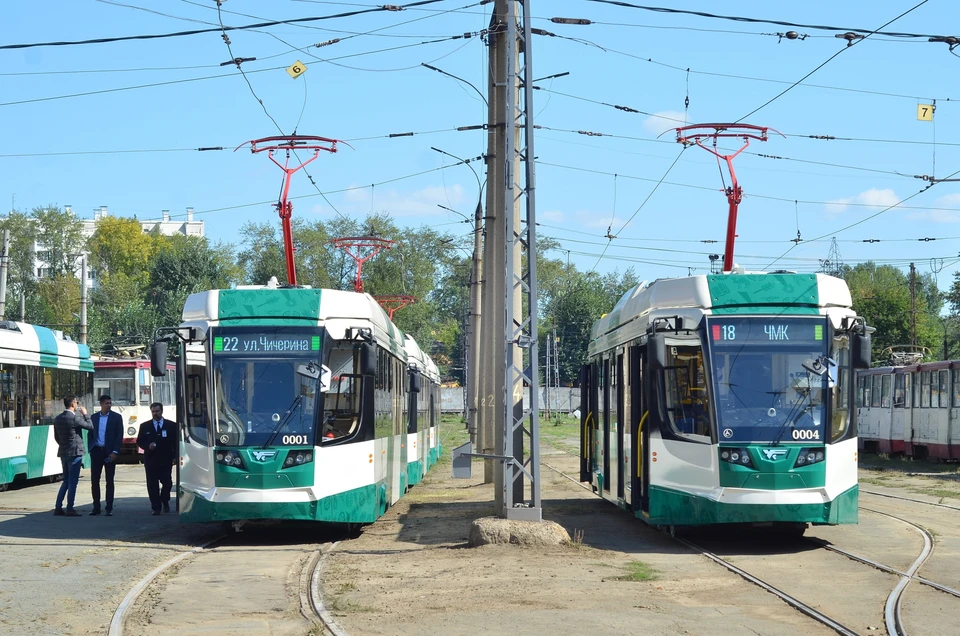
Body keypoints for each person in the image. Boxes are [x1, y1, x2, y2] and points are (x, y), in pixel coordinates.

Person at [53, 396, 93, 517]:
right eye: (77, 403)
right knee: (72, 481)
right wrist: (86, 414)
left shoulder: (58, 418)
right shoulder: (75, 418)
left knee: (65, 481)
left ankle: (58, 507)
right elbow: (90, 427)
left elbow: (56, 437)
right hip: (75, 452)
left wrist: (64, 445)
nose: (77, 405)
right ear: (73, 404)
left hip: (63, 452)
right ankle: (70, 507)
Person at [136, 402, 177, 515]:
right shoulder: (145, 426)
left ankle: (165, 500)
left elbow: (176, 443)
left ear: (162, 411)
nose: (155, 413)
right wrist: (147, 446)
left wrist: (175, 457)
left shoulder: (171, 426)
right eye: (153, 411)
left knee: (167, 483)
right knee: (152, 484)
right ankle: (156, 507)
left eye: (157, 411)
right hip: (151, 459)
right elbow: (139, 441)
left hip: (166, 459)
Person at [88, 395, 123, 516]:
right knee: (95, 480)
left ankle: (109, 507)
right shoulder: (94, 417)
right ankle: (96, 507)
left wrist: (115, 451)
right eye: (107, 403)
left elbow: (119, 436)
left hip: (109, 453)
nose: (109, 405)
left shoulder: (116, 418)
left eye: (110, 403)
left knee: (109, 480)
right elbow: (90, 434)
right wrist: (90, 448)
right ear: (101, 404)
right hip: (97, 451)